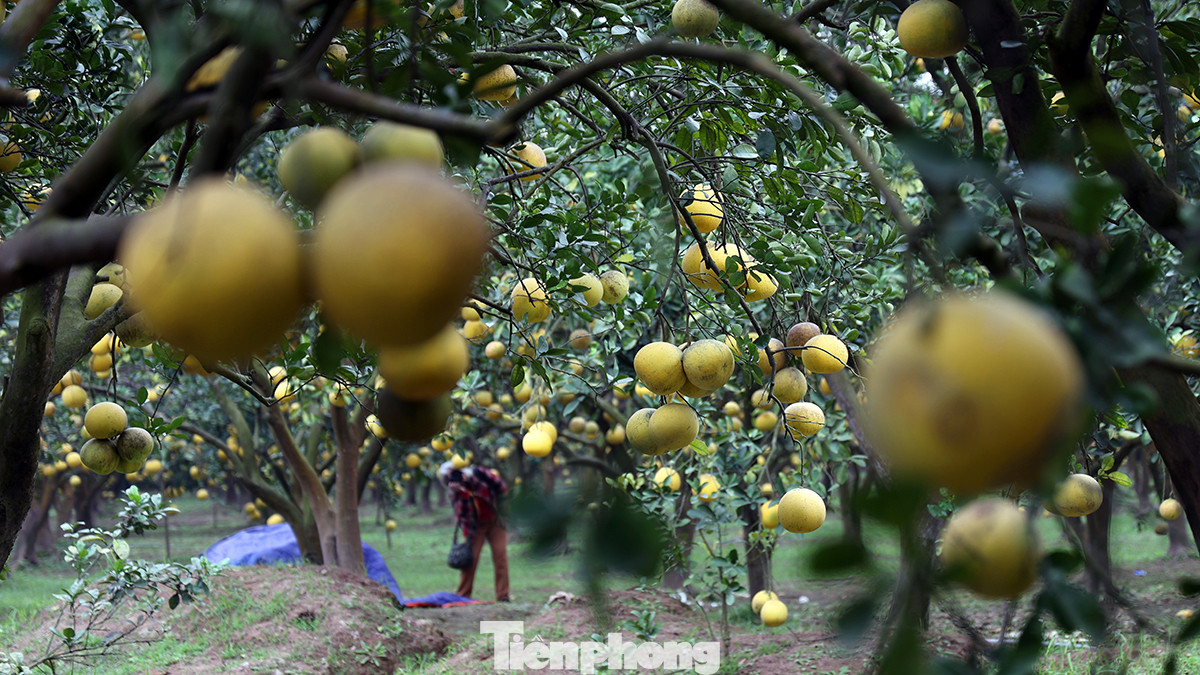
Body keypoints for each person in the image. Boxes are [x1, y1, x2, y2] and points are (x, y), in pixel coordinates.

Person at [438, 461, 510, 601]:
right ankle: (463, 595)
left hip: (495, 521)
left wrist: (471, 482)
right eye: (450, 477)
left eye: (456, 473)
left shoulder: (480, 473)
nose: (455, 478)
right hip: (475, 526)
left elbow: (502, 486)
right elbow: (465, 515)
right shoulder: (454, 492)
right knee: (470, 559)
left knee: (500, 557)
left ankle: (503, 596)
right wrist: (463, 493)